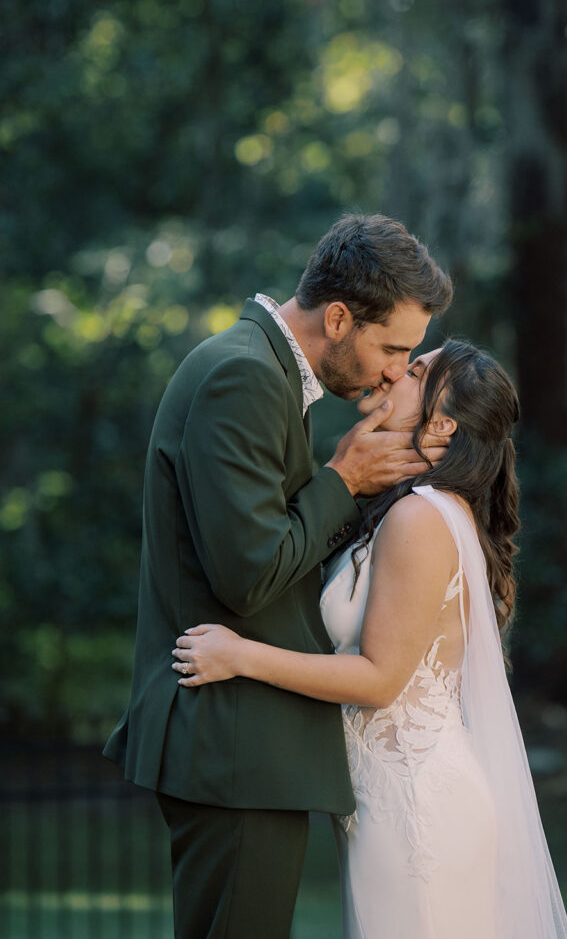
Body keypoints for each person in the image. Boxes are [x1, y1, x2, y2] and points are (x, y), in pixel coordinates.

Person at [103, 213, 453, 939]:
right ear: (336, 317)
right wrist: (342, 478)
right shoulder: (243, 375)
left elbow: (273, 544)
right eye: (392, 348)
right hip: (234, 745)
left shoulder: (258, 372)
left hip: (242, 748)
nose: (394, 370)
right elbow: (250, 575)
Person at [172, 339, 567, 939]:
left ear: (440, 423)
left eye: (413, 370)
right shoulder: (403, 510)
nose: (391, 372)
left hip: (416, 809)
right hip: (386, 805)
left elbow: (380, 679)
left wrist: (240, 656)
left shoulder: (421, 519)